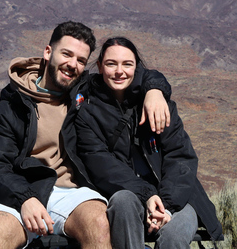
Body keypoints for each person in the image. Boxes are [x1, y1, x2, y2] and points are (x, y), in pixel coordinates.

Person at [0, 21, 172, 249]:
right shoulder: (14, 103)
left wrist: (155, 91)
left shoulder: (85, 91)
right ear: (48, 52)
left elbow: (136, 74)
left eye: (80, 60)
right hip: (21, 190)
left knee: (99, 223)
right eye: (66, 54)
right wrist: (25, 197)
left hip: (72, 193)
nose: (72, 65)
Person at [74, 36, 223, 249]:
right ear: (99, 66)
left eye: (127, 64)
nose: (119, 71)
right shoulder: (88, 112)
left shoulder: (159, 104)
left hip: (177, 199)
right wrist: (148, 195)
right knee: (123, 201)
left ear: (137, 67)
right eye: (111, 64)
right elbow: (101, 165)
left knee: (174, 236)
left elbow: (180, 157)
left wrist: (167, 206)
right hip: (130, 195)